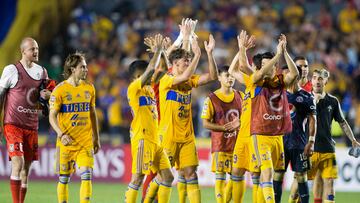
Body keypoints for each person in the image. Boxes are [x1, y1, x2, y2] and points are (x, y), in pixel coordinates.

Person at [158, 32, 218, 203]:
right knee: (165, 177)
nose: (188, 62)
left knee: (191, 174)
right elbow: (183, 76)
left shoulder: (189, 80)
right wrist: (197, 54)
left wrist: (209, 53)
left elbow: (212, 77)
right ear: (175, 63)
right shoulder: (166, 80)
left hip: (186, 137)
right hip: (168, 136)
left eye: (189, 60)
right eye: (186, 61)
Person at [124, 34, 174, 203]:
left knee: (167, 177)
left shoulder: (149, 88)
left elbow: (166, 68)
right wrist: (158, 51)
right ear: (136, 77)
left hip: (155, 140)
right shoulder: (133, 89)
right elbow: (152, 70)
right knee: (137, 178)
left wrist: (163, 52)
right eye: (143, 74)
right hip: (142, 138)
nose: (147, 75)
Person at [0, 37, 51, 203]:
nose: (35, 51)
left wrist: (46, 100)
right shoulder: (11, 70)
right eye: (32, 49)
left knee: (25, 171)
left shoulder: (42, 72)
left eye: (36, 48)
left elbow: (44, 100)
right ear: (23, 51)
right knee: (18, 162)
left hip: (31, 126)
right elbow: (0, 96)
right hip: (13, 124)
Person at [49, 52, 101, 203]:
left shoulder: (89, 88)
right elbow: (52, 116)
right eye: (82, 67)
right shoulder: (60, 90)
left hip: (85, 142)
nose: (86, 70)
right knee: (64, 179)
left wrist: (96, 138)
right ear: (72, 69)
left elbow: (93, 114)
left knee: (87, 175)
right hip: (66, 142)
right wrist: (61, 134)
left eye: (86, 67)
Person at [307, 69, 360, 203]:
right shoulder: (305, 98)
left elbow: (342, 122)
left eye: (320, 78)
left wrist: (353, 139)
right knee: (308, 183)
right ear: (311, 81)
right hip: (308, 149)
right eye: (314, 78)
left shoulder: (333, 101)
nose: (317, 81)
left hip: (327, 149)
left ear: (326, 81)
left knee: (329, 182)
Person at [273, 66, 317, 203]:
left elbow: (312, 119)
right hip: (281, 142)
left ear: (296, 76)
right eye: (285, 75)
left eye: (289, 75)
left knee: (301, 176)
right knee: (278, 175)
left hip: (300, 143)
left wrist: (311, 141)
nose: (286, 78)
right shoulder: (277, 95)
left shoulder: (307, 97)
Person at [201, 65, 242, 203]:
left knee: (235, 177)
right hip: (220, 144)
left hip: (238, 145)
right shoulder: (212, 98)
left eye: (232, 76)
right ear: (219, 77)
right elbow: (205, 123)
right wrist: (223, 128)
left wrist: (240, 123)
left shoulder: (240, 96)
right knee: (220, 176)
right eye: (227, 76)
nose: (230, 78)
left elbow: (248, 117)